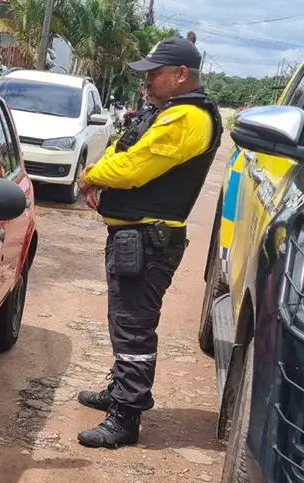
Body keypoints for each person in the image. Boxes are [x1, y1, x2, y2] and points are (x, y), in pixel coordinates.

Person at [73, 36, 224, 449]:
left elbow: (136, 166)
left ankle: (127, 416)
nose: (148, 82)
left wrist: (93, 175)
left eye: (155, 74)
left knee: (135, 328)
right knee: (124, 322)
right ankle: (121, 391)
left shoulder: (188, 118)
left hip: (149, 241)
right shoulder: (168, 112)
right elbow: (127, 150)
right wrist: (99, 172)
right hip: (134, 237)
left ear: (180, 76)